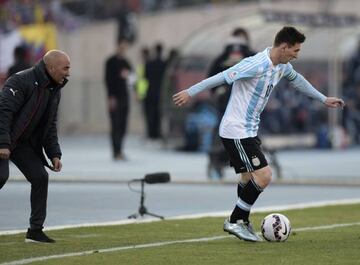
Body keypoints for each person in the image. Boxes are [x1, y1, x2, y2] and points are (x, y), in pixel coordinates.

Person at [173, 26, 345, 242]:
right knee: (264, 176)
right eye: (295, 50)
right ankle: (235, 220)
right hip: (236, 130)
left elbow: (298, 80)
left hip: (248, 130)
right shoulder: (255, 64)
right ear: (284, 47)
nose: (296, 55)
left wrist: (323, 98)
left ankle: (243, 221)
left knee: (246, 177)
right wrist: (190, 91)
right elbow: (221, 77)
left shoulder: (281, 66)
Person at [0, 49, 70, 243]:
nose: (68, 72)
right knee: (1, 176)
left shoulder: (54, 90)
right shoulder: (20, 80)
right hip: (3, 138)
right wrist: (3, 143)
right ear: (51, 67)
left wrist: (54, 154)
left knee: (40, 177)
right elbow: (3, 114)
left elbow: (50, 126)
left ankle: (35, 231)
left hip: (20, 143)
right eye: (65, 67)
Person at [104, 39, 133, 160]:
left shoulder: (127, 62)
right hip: (114, 97)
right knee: (115, 124)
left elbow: (133, 78)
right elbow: (108, 80)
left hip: (125, 96)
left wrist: (129, 77)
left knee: (123, 124)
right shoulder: (110, 62)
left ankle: (120, 150)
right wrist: (111, 97)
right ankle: (116, 151)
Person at [145, 43, 166, 140]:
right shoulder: (164, 64)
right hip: (160, 92)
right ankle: (157, 133)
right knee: (158, 113)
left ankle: (151, 133)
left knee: (150, 113)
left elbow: (146, 77)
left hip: (150, 91)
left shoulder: (149, 64)